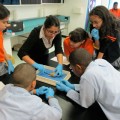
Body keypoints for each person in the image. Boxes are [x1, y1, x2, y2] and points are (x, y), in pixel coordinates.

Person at [56, 48, 120, 120]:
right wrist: (73, 86)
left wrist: (67, 90)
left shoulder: (87, 76)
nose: (71, 69)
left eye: (71, 67)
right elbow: (95, 85)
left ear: (78, 67)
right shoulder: (101, 61)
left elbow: (84, 103)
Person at [0, 4, 14, 84]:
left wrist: (8, 60)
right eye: (4, 22)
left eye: (7, 22)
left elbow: (1, 48)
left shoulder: (0, 31)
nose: (6, 24)